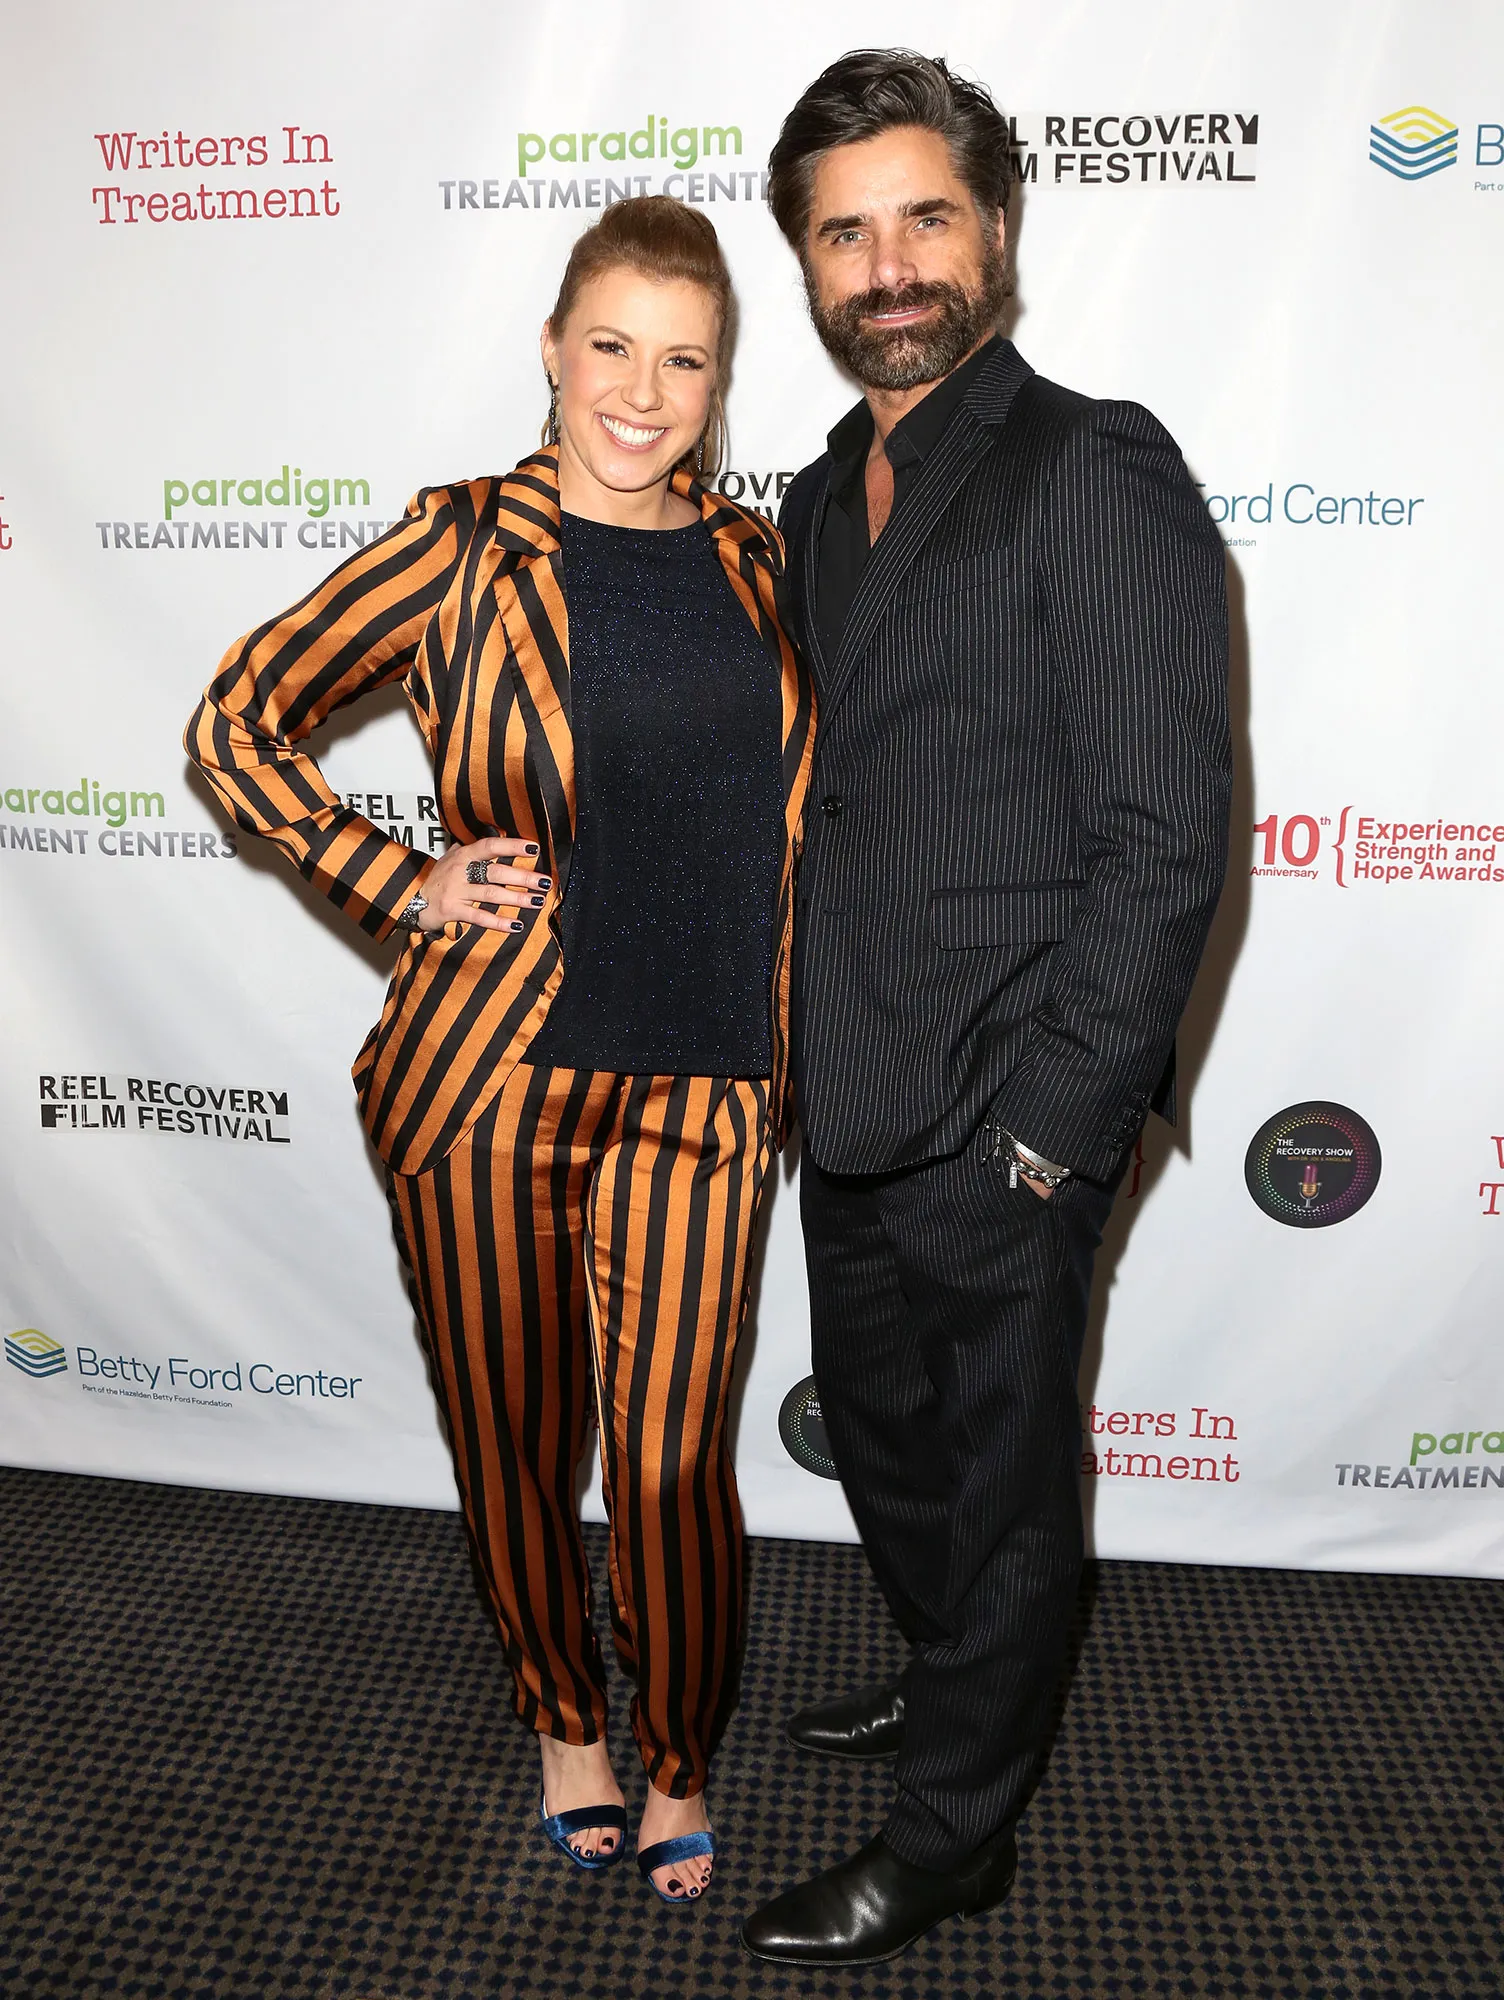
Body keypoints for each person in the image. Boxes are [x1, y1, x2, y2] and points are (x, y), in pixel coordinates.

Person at [186, 197, 815, 1907]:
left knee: (673, 1462)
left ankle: (678, 1747)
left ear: (720, 381)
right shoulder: (460, 542)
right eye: (610, 345)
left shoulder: (760, 562)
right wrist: (397, 878)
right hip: (491, 1085)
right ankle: (564, 1720)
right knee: (518, 1444)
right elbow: (237, 721)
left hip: (707, 1084)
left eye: (684, 360)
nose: (642, 392)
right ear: (552, 347)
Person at [740, 52, 1231, 1965]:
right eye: (844, 233)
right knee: (884, 1438)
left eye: (923, 219)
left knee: (1009, 1483)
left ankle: (956, 1837)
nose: (887, 268)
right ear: (805, 263)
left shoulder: (1091, 460)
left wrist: (1052, 1127)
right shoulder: (809, 499)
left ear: (998, 227)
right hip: (848, 1083)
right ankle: (959, 1672)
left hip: (1011, 1097)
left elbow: (1164, 831)